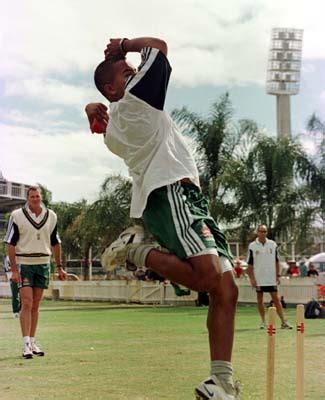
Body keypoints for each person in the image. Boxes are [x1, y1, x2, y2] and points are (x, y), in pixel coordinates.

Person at [85, 37, 240, 399]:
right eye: (127, 73)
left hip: (183, 197)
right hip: (170, 193)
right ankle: (135, 250)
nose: (135, 72)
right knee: (207, 278)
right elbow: (160, 47)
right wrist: (124, 44)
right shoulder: (136, 101)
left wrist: (92, 108)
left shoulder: (114, 129)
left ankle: (219, 381)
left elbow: (101, 121)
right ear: (112, 88)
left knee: (226, 290)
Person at [4, 186, 67, 359]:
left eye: (37, 196)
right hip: (24, 263)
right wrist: (14, 269)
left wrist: (59, 266)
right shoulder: (16, 216)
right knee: (26, 302)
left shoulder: (52, 216)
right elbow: (10, 243)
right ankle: (25, 344)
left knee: (36, 304)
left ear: (41, 197)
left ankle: (33, 341)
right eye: (32, 197)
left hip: (43, 263)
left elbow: (55, 242)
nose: (35, 199)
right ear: (27, 198)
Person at [247, 224, 292, 330]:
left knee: (276, 299)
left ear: (267, 233)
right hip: (259, 278)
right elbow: (249, 265)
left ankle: (283, 322)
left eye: (265, 231)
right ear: (257, 232)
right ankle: (263, 322)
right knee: (259, 299)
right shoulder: (252, 246)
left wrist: (278, 275)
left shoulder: (272, 244)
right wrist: (252, 279)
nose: (263, 233)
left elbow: (277, 261)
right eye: (261, 231)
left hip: (271, 277)